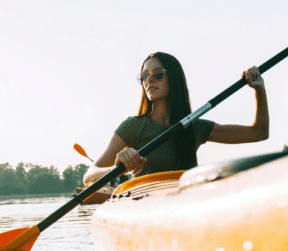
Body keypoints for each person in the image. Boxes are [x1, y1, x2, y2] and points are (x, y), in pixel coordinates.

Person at [82, 52, 268, 186]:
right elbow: (89, 176)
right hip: (143, 201)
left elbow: (258, 133)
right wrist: (118, 168)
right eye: (144, 76)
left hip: (184, 199)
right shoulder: (132, 126)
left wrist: (259, 89)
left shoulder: (194, 127)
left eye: (157, 74)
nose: (149, 80)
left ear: (174, 78)